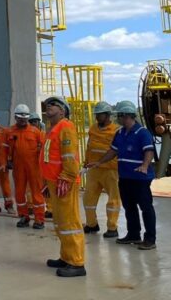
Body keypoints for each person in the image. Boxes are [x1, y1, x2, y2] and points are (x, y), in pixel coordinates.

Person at [87, 100, 157, 250]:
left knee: (146, 208)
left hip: (140, 178)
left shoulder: (142, 133)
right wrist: (99, 163)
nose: (117, 119)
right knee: (129, 207)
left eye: (119, 116)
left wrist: (144, 166)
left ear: (126, 116)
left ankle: (150, 239)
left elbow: (149, 151)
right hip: (125, 177)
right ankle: (133, 234)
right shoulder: (119, 133)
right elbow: (113, 151)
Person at [41, 96, 86, 277]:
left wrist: (66, 178)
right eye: (48, 105)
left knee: (70, 222)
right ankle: (66, 257)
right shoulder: (52, 129)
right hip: (54, 182)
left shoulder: (66, 128)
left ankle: (77, 263)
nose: (49, 107)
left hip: (63, 182)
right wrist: (47, 181)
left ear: (62, 111)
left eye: (54, 105)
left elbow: (69, 157)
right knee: (60, 222)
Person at [82, 101, 120, 238]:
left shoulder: (116, 130)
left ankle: (112, 228)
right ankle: (91, 224)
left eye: (100, 115)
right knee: (88, 199)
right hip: (94, 169)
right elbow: (89, 147)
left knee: (113, 200)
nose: (97, 117)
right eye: (96, 115)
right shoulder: (92, 129)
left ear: (108, 115)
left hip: (110, 170)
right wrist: (86, 162)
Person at [7, 104, 46, 229]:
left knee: (36, 193)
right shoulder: (10, 132)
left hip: (34, 167)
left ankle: (39, 219)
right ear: (15, 117)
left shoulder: (35, 132)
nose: (22, 120)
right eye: (20, 118)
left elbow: (43, 150)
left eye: (25, 118)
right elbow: (7, 149)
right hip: (18, 168)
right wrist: (8, 161)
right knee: (19, 193)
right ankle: (23, 216)